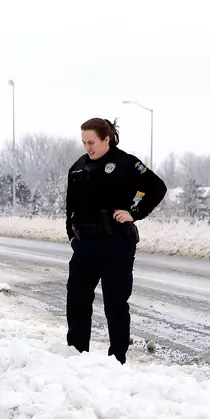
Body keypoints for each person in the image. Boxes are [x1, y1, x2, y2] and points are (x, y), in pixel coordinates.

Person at [65, 117, 167, 364]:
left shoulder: (126, 163)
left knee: (115, 303)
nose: (87, 147)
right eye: (84, 142)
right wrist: (72, 235)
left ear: (106, 139)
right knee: (76, 299)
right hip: (85, 245)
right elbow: (70, 206)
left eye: (92, 142)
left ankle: (117, 359)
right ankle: (77, 355)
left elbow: (157, 187)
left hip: (115, 244)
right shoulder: (78, 167)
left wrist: (135, 213)